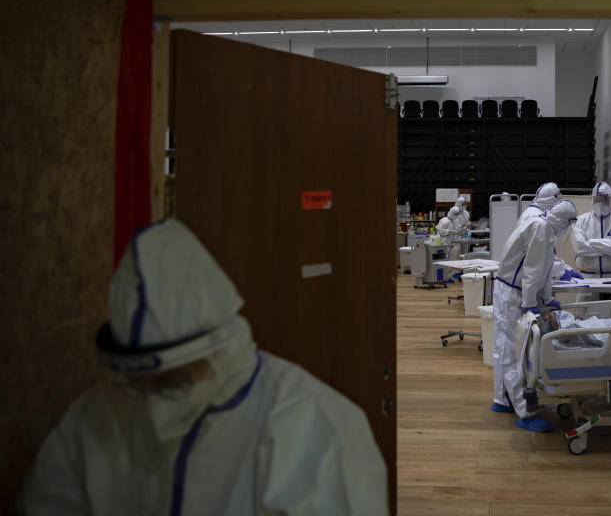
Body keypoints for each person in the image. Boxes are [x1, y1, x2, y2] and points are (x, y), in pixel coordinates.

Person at [18, 219, 388, 515]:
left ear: (219, 350)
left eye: (176, 378)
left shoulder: (311, 424)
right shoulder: (92, 422)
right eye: (143, 382)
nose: (155, 401)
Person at [490, 199, 579, 432]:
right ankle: (525, 412)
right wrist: (531, 303)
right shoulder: (540, 229)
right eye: (569, 224)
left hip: (513, 291)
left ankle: (504, 400)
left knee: (507, 346)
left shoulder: (545, 229)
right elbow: (531, 271)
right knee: (512, 351)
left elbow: (545, 269)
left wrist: (547, 298)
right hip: (511, 293)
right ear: (562, 220)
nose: (567, 230)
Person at [572, 182, 611, 295]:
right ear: (592, 199)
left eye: (604, 199)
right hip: (588, 279)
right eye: (597, 199)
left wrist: (590, 243)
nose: (600, 203)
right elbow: (580, 248)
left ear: (610, 200)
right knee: (586, 311)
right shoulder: (580, 221)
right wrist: (609, 246)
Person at [517, 182, 581, 282]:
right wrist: (561, 272)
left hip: (530, 278)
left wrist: (564, 269)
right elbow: (539, 257)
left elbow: (548, 254)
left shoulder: (539, 215)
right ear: (551, 200)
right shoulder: (537, 221)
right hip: (524, 280)